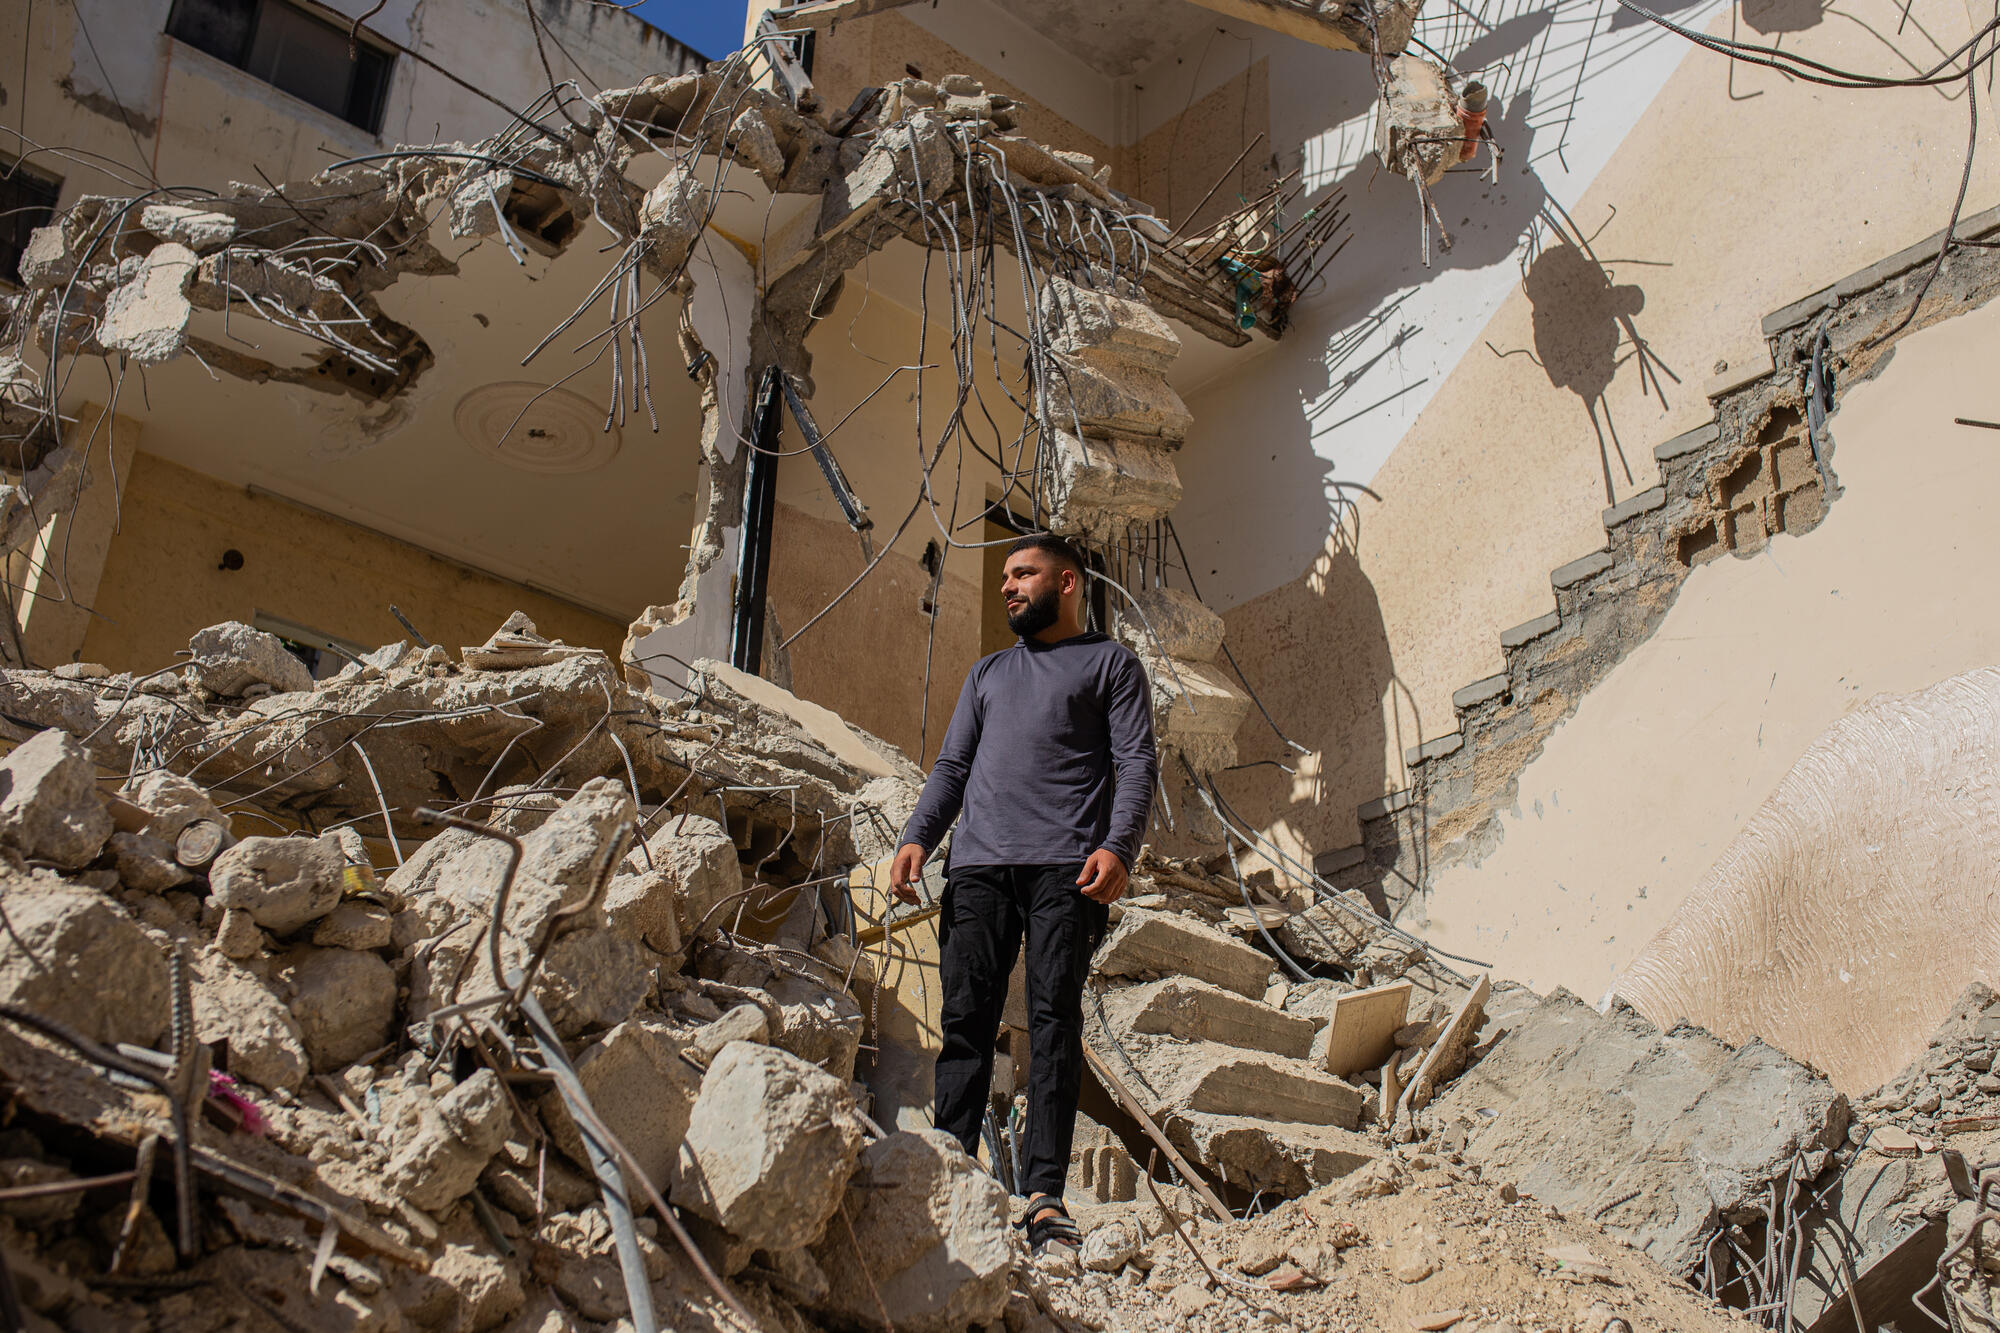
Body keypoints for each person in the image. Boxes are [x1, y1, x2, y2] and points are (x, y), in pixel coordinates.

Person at [890, 532, 1157, 1252]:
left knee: (1052, 1025)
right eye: (1005, 575)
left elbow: (1136, 764)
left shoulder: (1110, 664)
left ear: (1066, 584)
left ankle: (1043, 1195)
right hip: (977, 866)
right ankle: (948, 1165)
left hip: (1067, 870)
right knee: (966, 1017)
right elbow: (951, 767)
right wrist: (918, 834)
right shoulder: (986, 675)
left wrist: (1118, 846)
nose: (1008, 585)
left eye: (1024, 573)